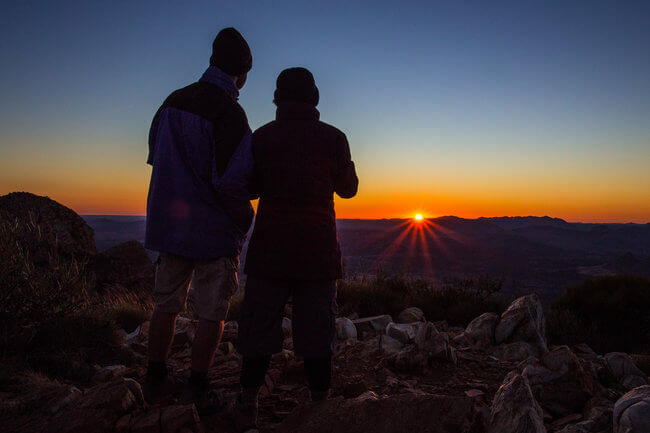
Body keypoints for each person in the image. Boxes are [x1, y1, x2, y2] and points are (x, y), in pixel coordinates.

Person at [230, 67, 358, 432]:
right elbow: (348, 189)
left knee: (258, 331)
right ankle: (319, 408)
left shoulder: (262, 138)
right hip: (317, 252)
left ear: (277, 98)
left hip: (270, 250)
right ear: (314, 98)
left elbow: (250, 188)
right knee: (317, 334)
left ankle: (249, 404)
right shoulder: (334, 138)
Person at [143, 27, 255, 414]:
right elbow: (234, 182)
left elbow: (154, 154)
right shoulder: (231, 114)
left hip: (170, 228)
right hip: (213, 232)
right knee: (212, 311)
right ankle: (197, 386)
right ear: (241, 73)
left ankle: (154, 379)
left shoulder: (172, 102)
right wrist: (245, 219)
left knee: (166, 304)